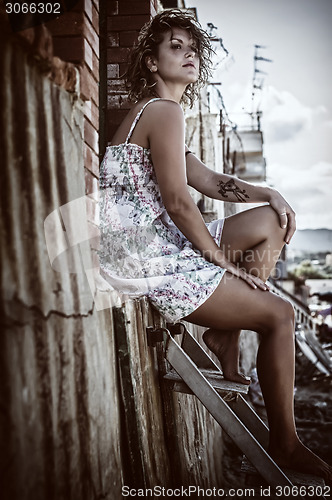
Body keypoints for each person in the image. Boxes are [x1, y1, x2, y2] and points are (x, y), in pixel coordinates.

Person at [99, 9, 332, 481]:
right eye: (175, 46)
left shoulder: (157, 116)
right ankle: (285, 444)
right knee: (282, 315)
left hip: (158, 246)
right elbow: (179, 203)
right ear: (150, 62)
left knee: (274, 221)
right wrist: (225, 265)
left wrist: (268, 192)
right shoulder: (162, 112)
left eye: (192, 47)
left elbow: (207, 181)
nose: (188, 54)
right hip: (149, 259)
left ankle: (226, 332)